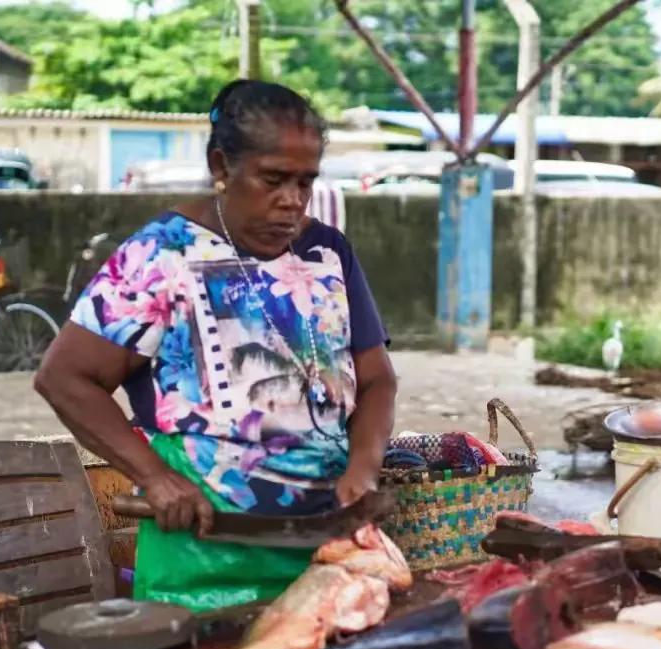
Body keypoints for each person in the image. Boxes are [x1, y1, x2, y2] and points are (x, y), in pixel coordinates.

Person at [35, 80, 396, 610]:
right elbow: (64, 378)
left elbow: (377, 378)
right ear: (222, 166)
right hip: (201, 562)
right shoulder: (161, 254)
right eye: (273, 179)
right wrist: (156, 478)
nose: (292, 201)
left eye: (305, 181)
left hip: (327, 553)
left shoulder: (326, 251)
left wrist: (362, 468)